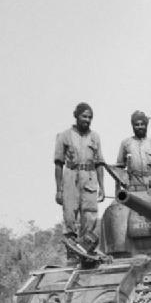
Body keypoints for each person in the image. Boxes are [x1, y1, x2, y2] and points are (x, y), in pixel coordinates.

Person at [54, 102, 105, 258]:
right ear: (76, 116)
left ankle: (85, 251)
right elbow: (58, 164)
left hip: (89, 176)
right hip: (71, 175)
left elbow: (99, 163)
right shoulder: (64, 136)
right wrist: (59, 189)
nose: (87, 120)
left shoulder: (95, 137)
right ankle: (71, 252)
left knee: (90, 216)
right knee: (70, 215)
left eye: (90, 117)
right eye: (84, 116)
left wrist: (102, 187)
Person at [116, 110, 151, 192]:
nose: (140, 127)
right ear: (133, 126)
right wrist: (117, 189)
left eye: (142, 124)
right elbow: (119, 169)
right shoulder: (126, 143)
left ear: (146, 125)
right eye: (137, 125)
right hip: (133, 187)